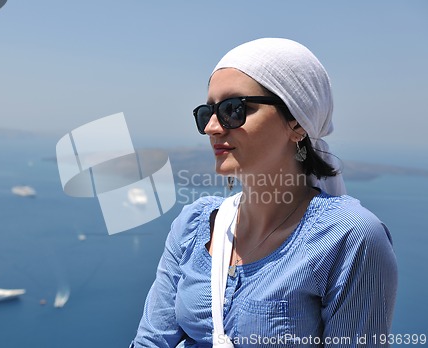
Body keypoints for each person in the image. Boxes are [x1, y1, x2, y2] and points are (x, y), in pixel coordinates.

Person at [130, 38, 397, 347]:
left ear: (297, 123)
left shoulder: (350, 237)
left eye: (234, 109)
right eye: (207, 113)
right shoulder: (194, 224)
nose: (212, 127)